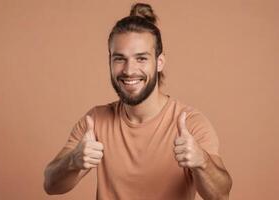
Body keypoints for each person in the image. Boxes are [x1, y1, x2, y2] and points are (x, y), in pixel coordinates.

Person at [44, 3, 232, 200]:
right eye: (119, 59)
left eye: (141, 59)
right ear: (110, 61)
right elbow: (50, 184)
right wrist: (73, 161)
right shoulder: (95, 121)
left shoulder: (190, 123)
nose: (129, 70)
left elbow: (221, 195)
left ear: (159, 62)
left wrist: (201, 161)